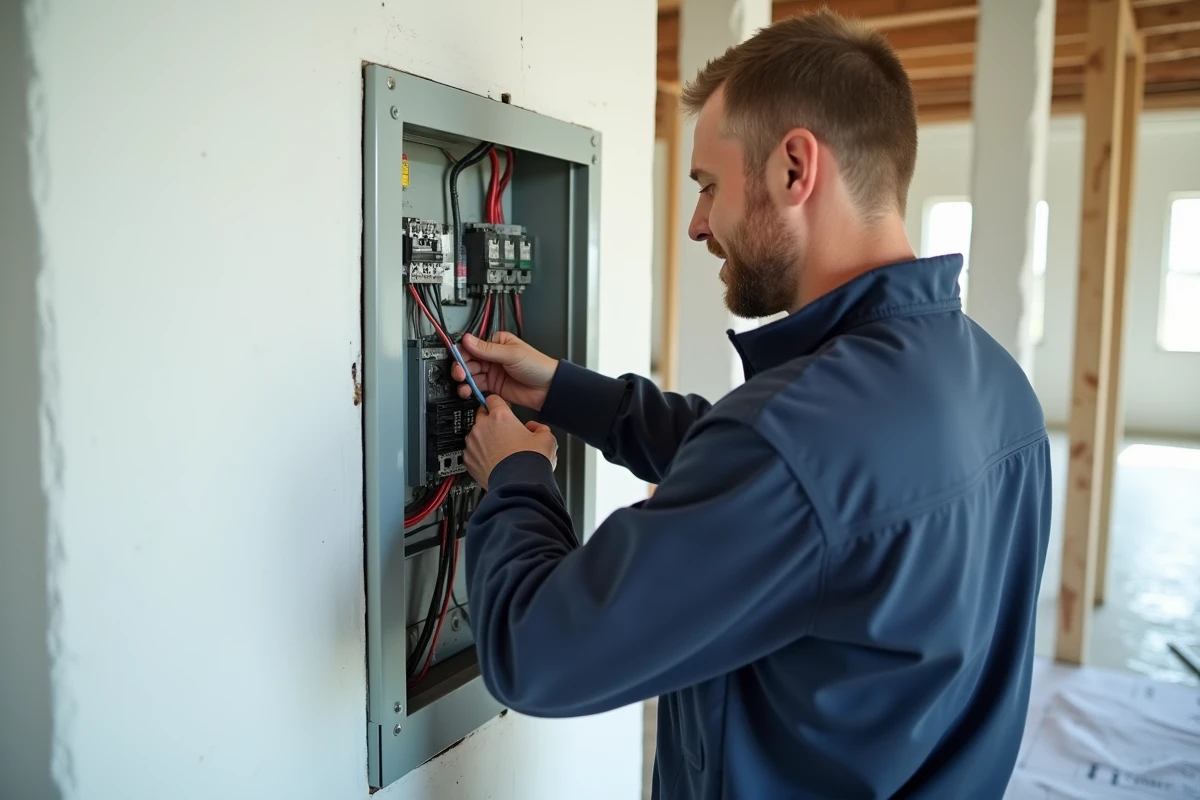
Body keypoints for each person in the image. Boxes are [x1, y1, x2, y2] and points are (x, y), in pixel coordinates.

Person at [451, 9, 1052, 799]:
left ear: (795, 169)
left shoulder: (795, 441)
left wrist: (519, 478)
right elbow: (798, 499)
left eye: (707, 186)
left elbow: (536, 653)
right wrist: (569, 393)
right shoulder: (997, 386)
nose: (699, 225)